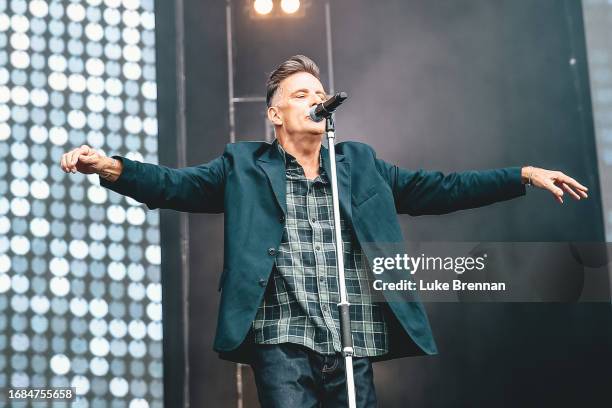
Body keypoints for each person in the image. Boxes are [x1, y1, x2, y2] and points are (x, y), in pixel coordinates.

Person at [59, 55, 588, 407]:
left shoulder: (358, 164)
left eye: (318, 90)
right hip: (280, 336)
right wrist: (110, 167)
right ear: (275, 114)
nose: (315, 98)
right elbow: (172, 185)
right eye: (300, 93)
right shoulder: (242, 165)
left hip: (350, 335)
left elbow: (441, 188)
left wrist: (519, 175)